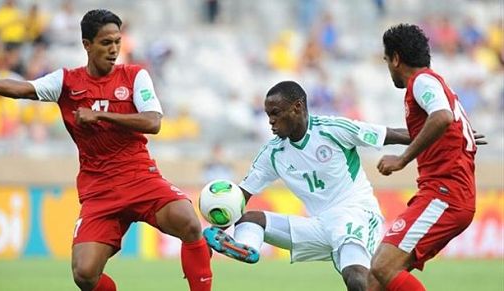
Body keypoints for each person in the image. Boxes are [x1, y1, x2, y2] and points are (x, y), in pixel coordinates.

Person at [0, 9, 212, 291]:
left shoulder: (134, 76)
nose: (114, 49)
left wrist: (101, 116)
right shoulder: (66, 82)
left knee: (189, 223)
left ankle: (201, 271)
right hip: (99, 189)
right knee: (84, 273)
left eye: (117, 41)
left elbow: (153, 122)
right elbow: (23, 89)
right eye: (106, 43)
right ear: (87, 44)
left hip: (140, 177)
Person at [204, 80, 413, 291]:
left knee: (357, 277)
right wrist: (216, 229)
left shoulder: (332, 130)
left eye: (275, 113)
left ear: (297, 107)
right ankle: (245, 248)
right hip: (319, 224)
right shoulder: (273, 153)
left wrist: (437, 132)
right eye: (268, 115)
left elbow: (392, 134)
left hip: (355, 213)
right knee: (251, 220)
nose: (271, 121)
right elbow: (239, 198)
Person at [368, 23, 481, 291]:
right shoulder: (433, 85)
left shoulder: (422, 81)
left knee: (383, 267)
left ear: (396, 58)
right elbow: (445, 120)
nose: (388, 68)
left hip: (445, 194)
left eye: (386, 60)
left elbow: (442, 117)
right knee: (375, 280)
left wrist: (402, 159)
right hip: (443, 193)